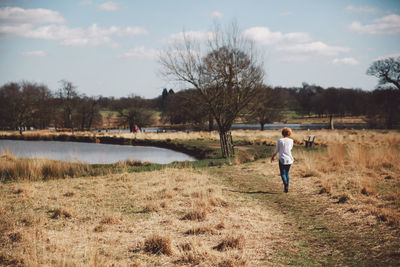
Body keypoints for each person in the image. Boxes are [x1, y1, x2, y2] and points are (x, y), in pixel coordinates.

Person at [271, 127, 294, 193]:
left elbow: (276, 150)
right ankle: (287, 187)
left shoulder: (280, 140)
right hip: (289, 159)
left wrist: (273, 156)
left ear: (282, 133)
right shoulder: (291, 141)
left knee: (282, 173)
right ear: (289, 133)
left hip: (282, 158)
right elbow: (290, 149)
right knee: (287, 173)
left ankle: (285, 184)